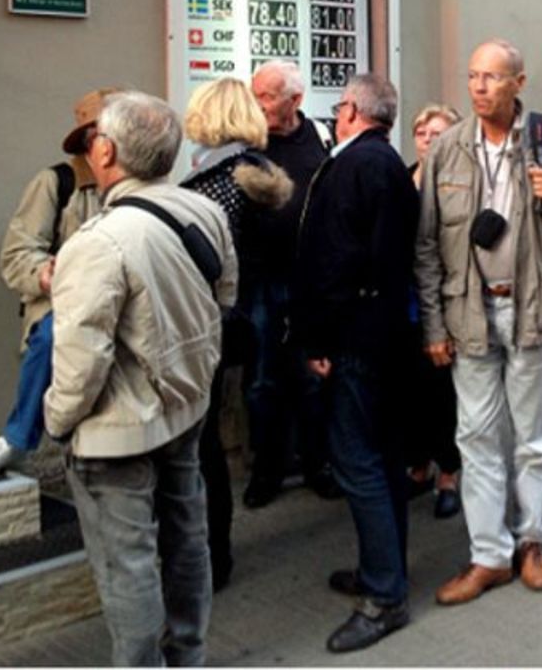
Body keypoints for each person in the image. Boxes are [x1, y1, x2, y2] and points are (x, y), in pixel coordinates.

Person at [44, 92, 238, 667]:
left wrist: (55, 421)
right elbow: (223, 299)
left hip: (116, 433)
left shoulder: (96, 242)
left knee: (126, 564)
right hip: (185, 408)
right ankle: (189, 653)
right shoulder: (205, 211)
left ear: (106, 150)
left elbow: (80, 363)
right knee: (186, 538)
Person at [414, 39, 542, 605]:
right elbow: (426, 247)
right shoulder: (446, 149)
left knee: (531, 438)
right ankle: (488, 556)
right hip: (467, 311)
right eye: (472, 76)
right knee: (475, 438)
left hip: (529, 309)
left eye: (492, 78)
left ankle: (530, 542)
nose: (479, 87)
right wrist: (432, 327)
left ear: (519, 83)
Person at [293, 73, 419, 652]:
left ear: (351, 112)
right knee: (386, 456)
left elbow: (336, 261)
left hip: (354, 336)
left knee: (358, 461)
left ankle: (384, 596)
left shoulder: (357, 166)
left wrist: (317, 339)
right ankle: (383, 571)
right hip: (384, 332)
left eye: (338, 104)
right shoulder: (385, 164)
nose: (334, 113)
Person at [0, 88, 116, 474]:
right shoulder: (57, 183)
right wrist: (49, 274)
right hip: (65, 301)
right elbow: (17, 254)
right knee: (51, 337)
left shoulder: (146, 183)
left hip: (124, 298)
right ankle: (18, 437)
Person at [180, 77, 293, 591]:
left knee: (203, 447)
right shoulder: (252, 171)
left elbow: (205, 260)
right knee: (208, 444)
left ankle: (212, 555)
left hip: (218, 318)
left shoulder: (220, 179)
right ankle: (213, 551)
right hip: (243, 315)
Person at [245, 61, 337, 508]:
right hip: (261, 279)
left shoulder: (322, 138)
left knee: (312, 377)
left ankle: (318, 463)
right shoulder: (244, 145)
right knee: (262, 379)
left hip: (311, 280)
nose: (257, 103)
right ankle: (267, 469)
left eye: (265, 96)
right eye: (254, 93)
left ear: (294, 100)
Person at [405, 104, 463, 519]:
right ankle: (419, 464)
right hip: (405, 301)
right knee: (413, 392)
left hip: (444, 301)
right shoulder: (402, 178)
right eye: (422, 132)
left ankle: (450, 473)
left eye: (437, 132)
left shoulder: (457, 185)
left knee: (443, 392)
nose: (427, 139)